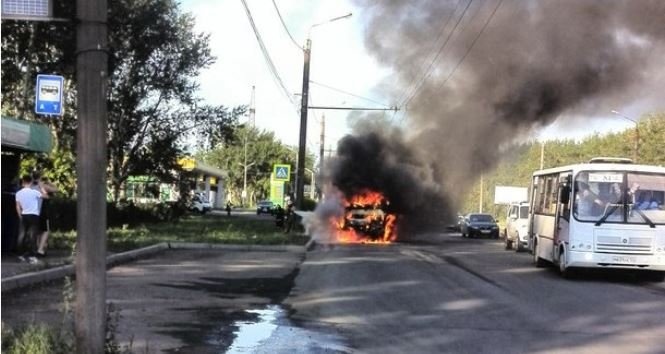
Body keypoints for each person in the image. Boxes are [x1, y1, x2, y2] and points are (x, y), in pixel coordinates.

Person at [15, 175, 46, 264]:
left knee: (21, 235)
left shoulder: (18, 193)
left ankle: (20, 255)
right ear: (31, 182)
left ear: (23, 182)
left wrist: (20, 215)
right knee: (33, 235)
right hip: (34, 215)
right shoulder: (34, 192)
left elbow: (17, 206)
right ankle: (32, 256)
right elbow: (45, 196)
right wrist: (41, 186)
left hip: (24, 215)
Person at [35, 176, 58, 258]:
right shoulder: (43, 186)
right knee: (45, 231)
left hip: (35, 211)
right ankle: (40, 250)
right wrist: (48, 183)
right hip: (44, 212)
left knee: (38, 231)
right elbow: (56, 189)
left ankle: (39, 247)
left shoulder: (32, 187)